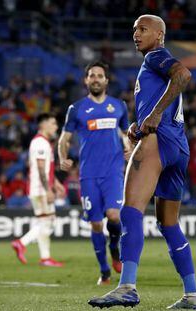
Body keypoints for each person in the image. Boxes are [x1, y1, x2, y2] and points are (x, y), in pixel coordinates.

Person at [88, 15, 196, 309]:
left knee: (130, 211)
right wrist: (140, 123)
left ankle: (127, 286)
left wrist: (151, 117)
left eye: (143, 29)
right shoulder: (152, 64)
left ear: (159, 35)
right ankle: (192, 295)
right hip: (178, 145)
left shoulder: (156, 56)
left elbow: (184, 75)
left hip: (159, 140)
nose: (136, 35)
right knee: (169, 224)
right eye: (134, 30)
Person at [58, 61, 131, 285]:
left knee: (114, 215)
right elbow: (65, 138)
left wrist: (128, 147)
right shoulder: (76, 108)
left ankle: (115, 250)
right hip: (88, 174)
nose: (96, 79)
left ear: (106, 81)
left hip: (113, 172)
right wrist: (63, 157)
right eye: (92, 76)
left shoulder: (119, 106)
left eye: (100, 75)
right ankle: (104, 271)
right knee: (96, 224)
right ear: (86, 80)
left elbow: (125, 132)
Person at [11, 113, 65, 267]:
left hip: (38, 187)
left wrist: (56, 183)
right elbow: (41, 169)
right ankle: (22, 242)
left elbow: (45, 168)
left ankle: (45, 258)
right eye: (53, 123)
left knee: (45, 221)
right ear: (43, 125)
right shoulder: (40, 143)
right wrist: (48, 189)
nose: (55, 127)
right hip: (40, 189)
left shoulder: (41, 142)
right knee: (49, 222)